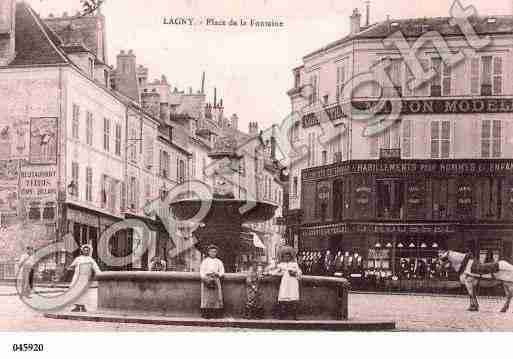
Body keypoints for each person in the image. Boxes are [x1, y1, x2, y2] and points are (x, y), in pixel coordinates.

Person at [269, 246, 302, 320]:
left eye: (288, 256)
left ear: (290, 257)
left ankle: (295, 315)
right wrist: (269, 273)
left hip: (293, 282)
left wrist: (295, 273)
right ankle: (282, 314)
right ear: (283, 257)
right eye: (285, 256)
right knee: (283, 298)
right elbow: (275, 271)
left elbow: (300, 273)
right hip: (285, 283)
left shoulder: (294, 264)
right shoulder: (281, 265)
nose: (287, 257)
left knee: (293, 298)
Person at [68, 244, 101, 312]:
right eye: (84, 250)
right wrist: (72, 268)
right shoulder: (78, 258)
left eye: (87, 250)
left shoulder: (90, 259)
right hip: (77, 277)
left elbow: (96, 268)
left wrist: (100, 274)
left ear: (89, 251)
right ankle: (77, 306)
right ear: (82, 251)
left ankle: (83, 306)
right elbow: (71, 266)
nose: (86, 251)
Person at [199, 244, 225, 319]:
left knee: (216, 297)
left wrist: (218, 274)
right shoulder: (205, 261)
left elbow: (222, 271)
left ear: (216, 253)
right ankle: (206, 314)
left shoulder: (219, 261)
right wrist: (204, 278)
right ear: (208, 252)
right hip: (207, 279)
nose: (213, 253)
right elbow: (201, 271)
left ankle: (216, 314)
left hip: (216, 279)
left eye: (214, 252)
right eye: (211, 251)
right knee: (206, 297)